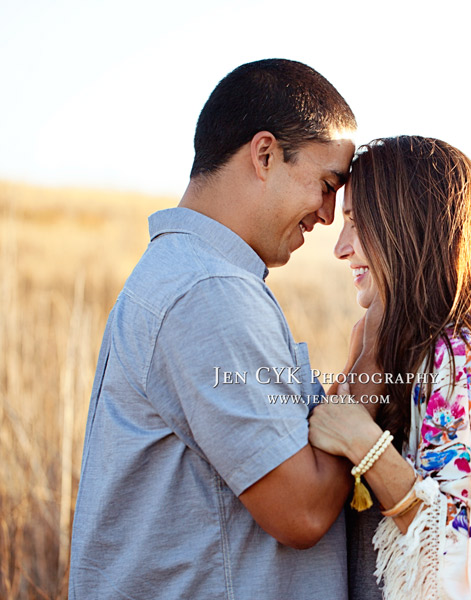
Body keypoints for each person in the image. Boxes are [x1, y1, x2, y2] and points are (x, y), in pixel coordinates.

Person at [68, 59, 369, 599]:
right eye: (326, 185)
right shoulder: (208, 291)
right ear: (264, 154)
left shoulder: (182, 274)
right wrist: (370, 367)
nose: (328, 216)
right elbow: (300, 511)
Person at [310, 136, 471, 599]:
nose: (341, 248)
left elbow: (464, 562)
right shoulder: (419, 348)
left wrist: (364, 444)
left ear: (408, 227)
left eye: (356, 222)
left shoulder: (458, 357)